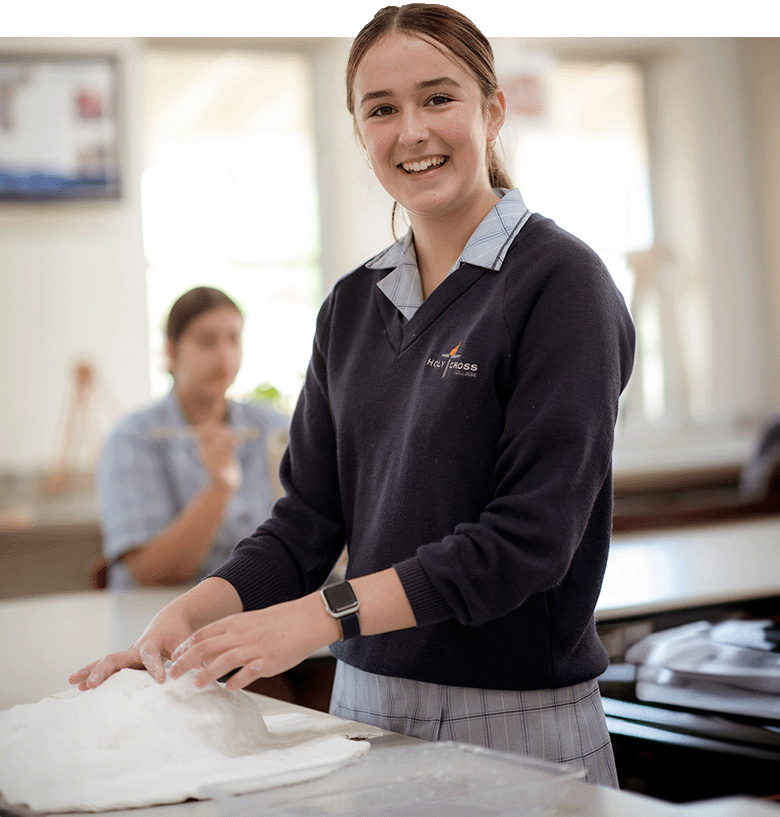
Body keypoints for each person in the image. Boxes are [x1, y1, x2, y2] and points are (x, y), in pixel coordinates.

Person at [71, 5, 635, 786]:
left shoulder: (561, 284)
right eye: (382, 109)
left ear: (493, 109)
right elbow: (306, 520)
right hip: (360, 707)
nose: (411, 131)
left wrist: (311, 617)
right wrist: (194, 613)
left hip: (514, 717)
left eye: (439, 98)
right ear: (361, 130)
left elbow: (526, 543)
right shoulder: (351, 304)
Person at [96, 286, 288, 589]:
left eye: (233, 339)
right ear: (171, 352)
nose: (224, 354)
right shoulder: (132, 437)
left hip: (254, 615)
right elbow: (150, 572)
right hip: (157, 618)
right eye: (207, 341)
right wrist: (219, 487)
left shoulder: (274, 427)